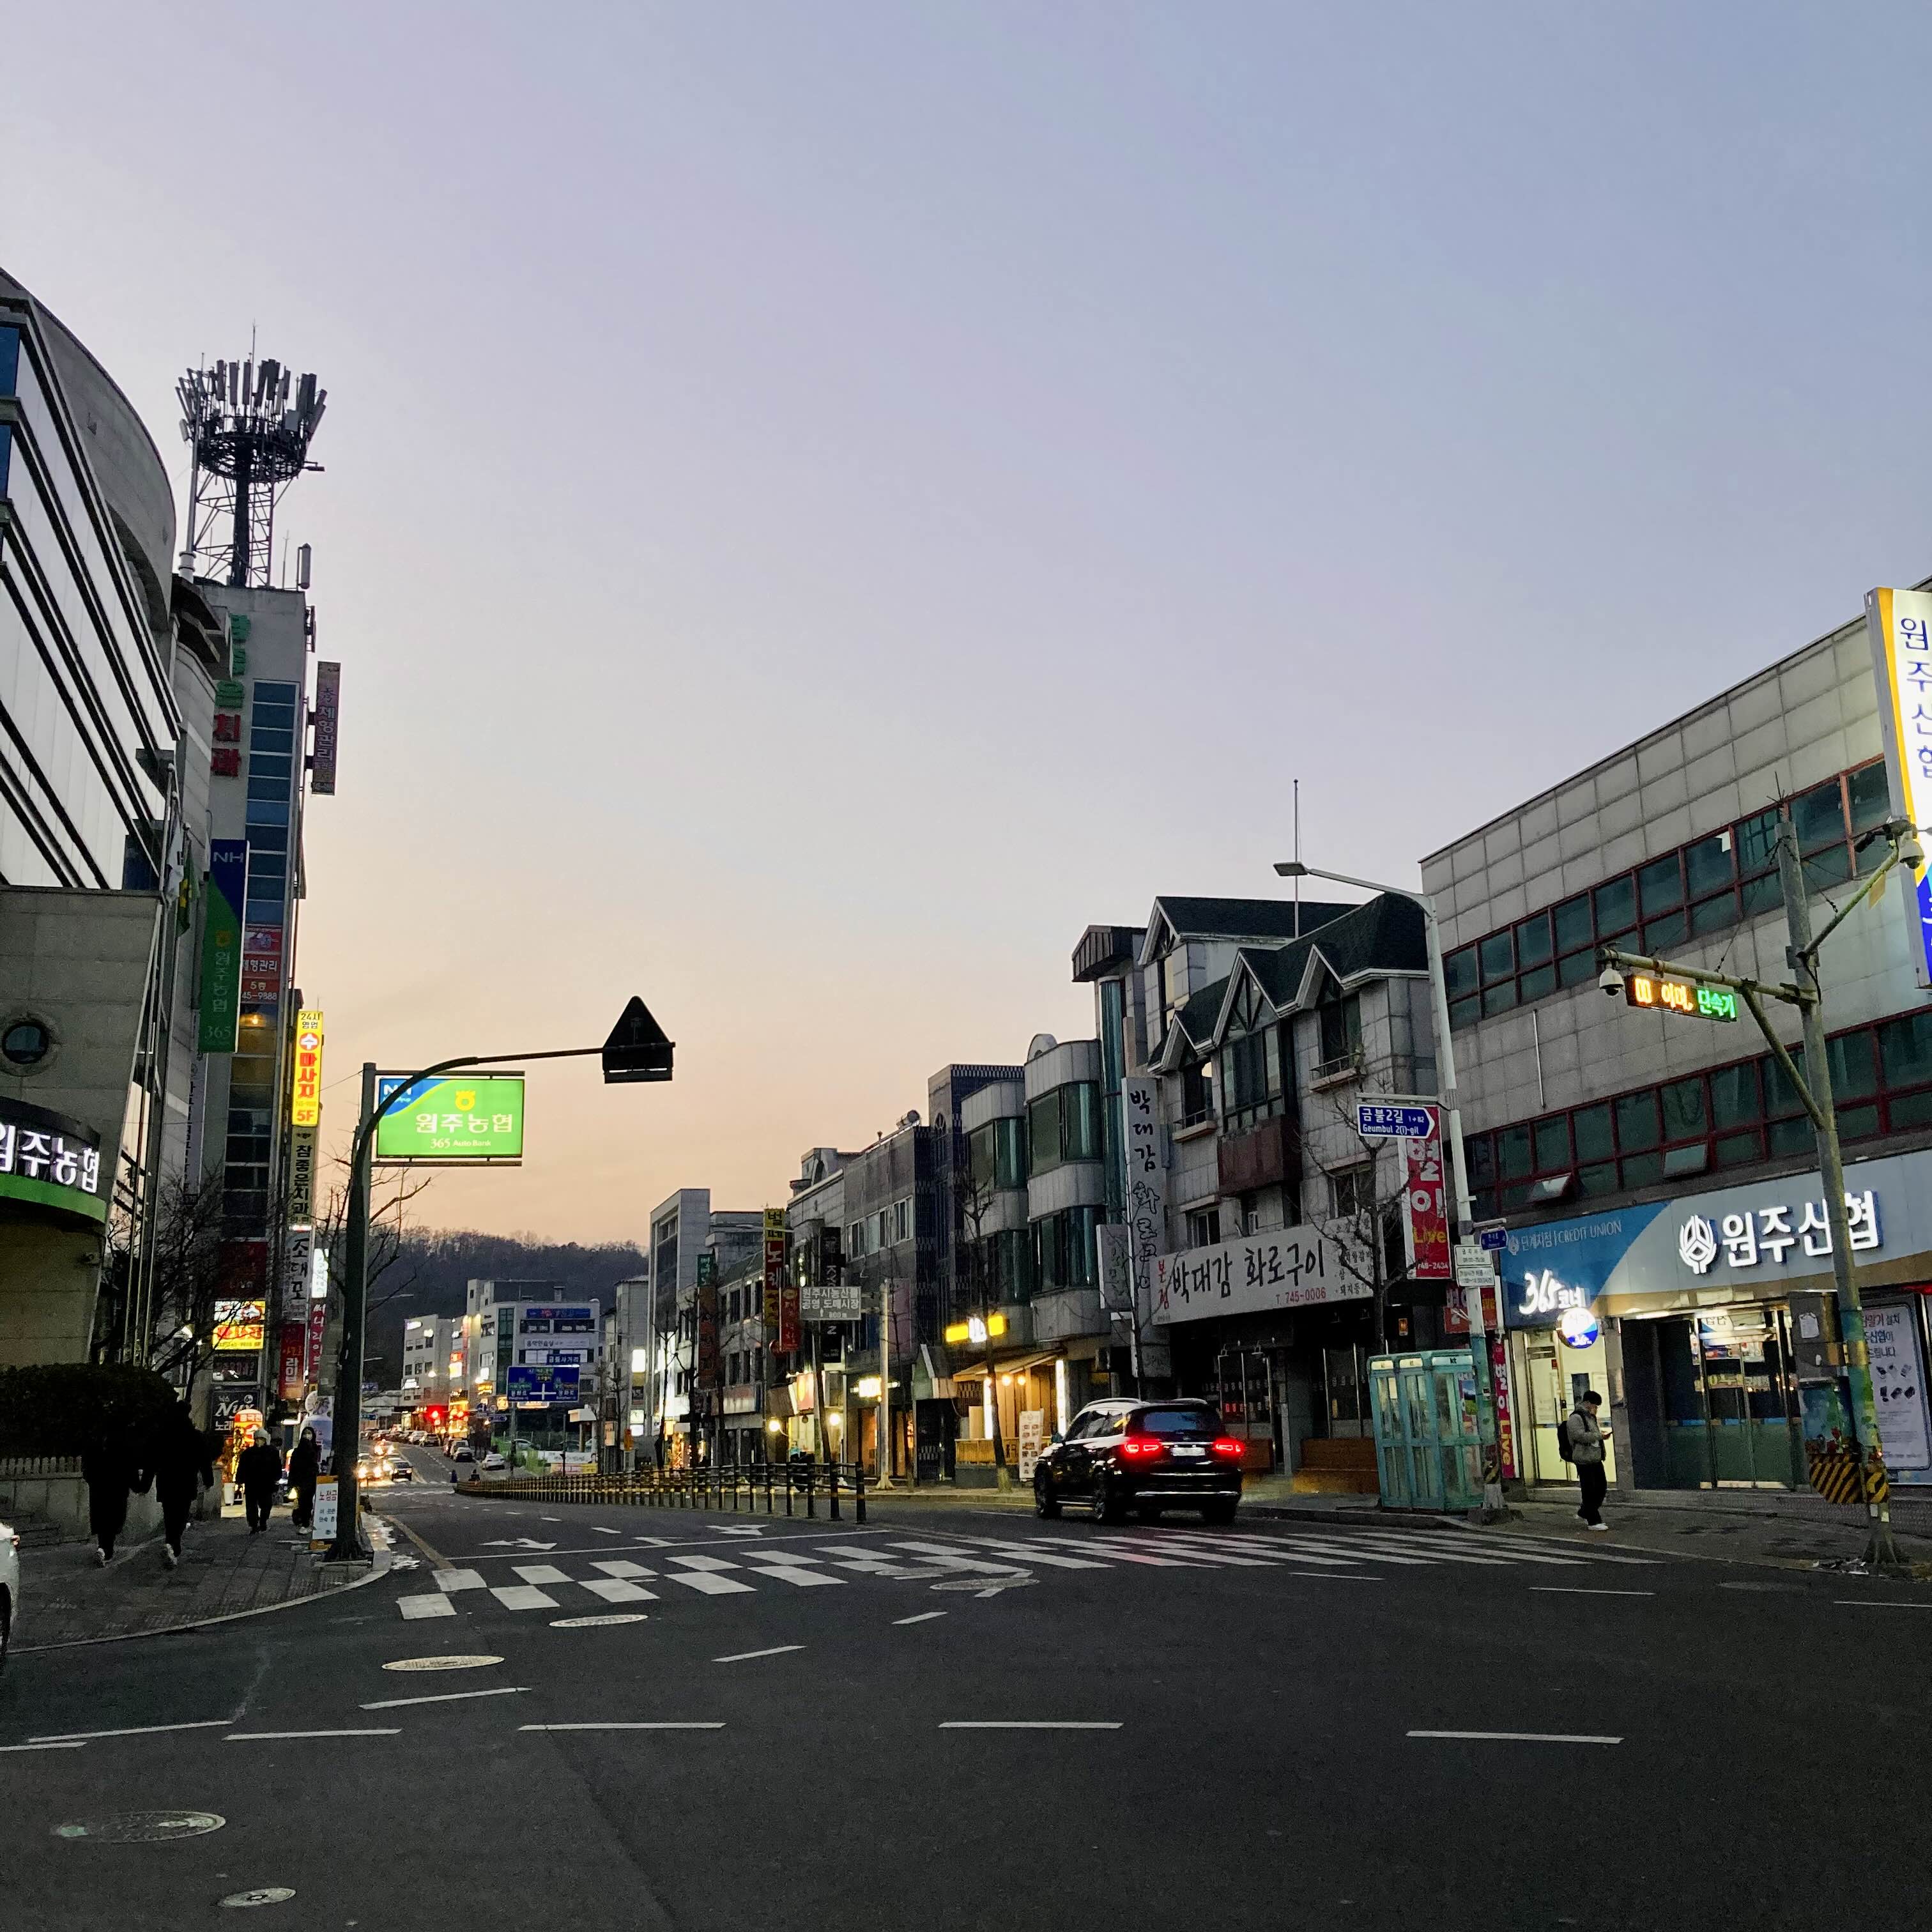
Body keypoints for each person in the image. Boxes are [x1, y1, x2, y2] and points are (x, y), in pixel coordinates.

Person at [145, 1400, 216, 1570]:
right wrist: (208, 1480)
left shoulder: (163, 1435)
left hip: (167, 1481)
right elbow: (204, 1461)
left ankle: (171, 1543)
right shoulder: (194, 1436)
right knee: (181, 1516)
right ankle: (173, 1546)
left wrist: (145, 1484)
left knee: (169, 1515)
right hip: (186, 1482)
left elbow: (151, 1461)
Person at [80, 1426, 144, 1567]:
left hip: (99, 1491)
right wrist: (139, 1487)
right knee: (112, 1522)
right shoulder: (124, 1447)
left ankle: (102, 1549)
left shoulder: (96, 1444)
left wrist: (91, 1480)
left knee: (102, 1522)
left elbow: (87, 1466)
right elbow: (131, 1470)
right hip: (117, 1492)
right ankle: (106, 1551)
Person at [1564, 1390, 1611, 1530]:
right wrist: (1599, 1436)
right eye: (1595, 1406)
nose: (1596, 1409)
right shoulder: (1576, 1418)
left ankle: (1585, 1512)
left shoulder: (1591, 1417)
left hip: (1595, 1458)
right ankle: (1593, 1521)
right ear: (1588, 1403)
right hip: (1583, 1459)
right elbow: (1579, 1436)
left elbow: (1592, 1434)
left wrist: (1600, 1436)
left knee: (1601, 1487)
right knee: (1589, 1490)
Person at [236, 1427, 282, 1535]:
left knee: (266, 1505)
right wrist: (240, 1479)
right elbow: (242, 1467)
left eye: (261, 1439)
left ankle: (263, 1522)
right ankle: (254, 1525)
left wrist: (276, 1477)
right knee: (251, 1506)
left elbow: (277, 1466)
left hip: (266, 1484)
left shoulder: (272, 1452)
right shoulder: (248, 1453)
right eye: (257, 1439)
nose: (259, 1441)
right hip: (251, 1483)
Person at [288, 1425, 321, 1532]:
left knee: (307, 1502)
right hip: (300, 1480)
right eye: (305, 1433)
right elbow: (293, 1466)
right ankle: (305, 1523)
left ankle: (306, 1522)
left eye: (309, 1433)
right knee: (303, 1502)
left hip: (310, 1480)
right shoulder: (298, 1450)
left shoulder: (316, 1449)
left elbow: (314, 1462)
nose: (307, 1436)